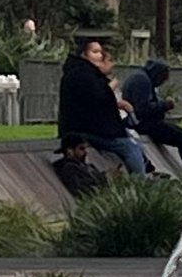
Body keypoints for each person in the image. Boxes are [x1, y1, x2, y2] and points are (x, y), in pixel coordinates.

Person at [58, 34, 148, 176]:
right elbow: (98, 100)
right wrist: (110, 87)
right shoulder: (84, 75)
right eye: (95, 52)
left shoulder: (82, 73)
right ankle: (140, 181)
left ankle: (146, 171)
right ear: (84, 54)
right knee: (130, 147)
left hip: (82, 128)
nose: (99, 56)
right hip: (86, 130)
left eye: (100, 52)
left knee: (132, 141)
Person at [119, 58, 182, 173]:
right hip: (143, 123)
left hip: (148, 121)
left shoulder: (143, 78)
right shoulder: (142, 81)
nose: (164, 81)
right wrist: (164, 105)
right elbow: (142, 109)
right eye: (163, 78)